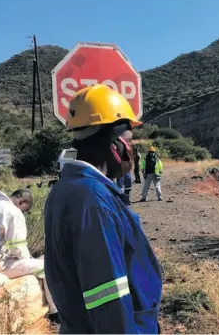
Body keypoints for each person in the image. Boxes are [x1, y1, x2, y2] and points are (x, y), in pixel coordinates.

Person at [44, 84, 162, 334]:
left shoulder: (67, 188)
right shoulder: (92, 198)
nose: (132, 149)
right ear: (116, 145)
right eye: (130, 142)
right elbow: (107, 295)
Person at [0, 189, 60, 324]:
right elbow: (18, 248)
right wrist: (30, 261)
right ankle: (55, 313)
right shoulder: (13, 212)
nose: (23, 213)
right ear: (22, 201)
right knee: (46, 267)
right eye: (25, 209)